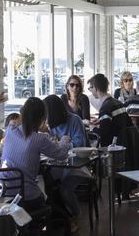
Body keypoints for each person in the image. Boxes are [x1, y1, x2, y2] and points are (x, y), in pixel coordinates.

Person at [0, 97, 70, 212]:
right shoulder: (39, 139)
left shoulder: (10, 130)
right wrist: (65, 140)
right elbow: (62, 154)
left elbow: (13, 124)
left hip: (3, 194)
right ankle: (60, 223)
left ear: (23, 114)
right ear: (43, 119)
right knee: (51, 192)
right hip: (25, 198)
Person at [43, 95, 91, 230]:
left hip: (77, 164)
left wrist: (60, 145)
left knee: (64, 190)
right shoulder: (50, 124)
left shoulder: (74, 120)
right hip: (57, 164)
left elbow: (79, 144)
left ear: (53, 112)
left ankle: (75, 215)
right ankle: (59, 219)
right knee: (48, 187)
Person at [87, 73, 133, 147]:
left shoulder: (105, 108)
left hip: (112, 149)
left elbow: (102, 135)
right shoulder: (118, 103)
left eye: (90, 88)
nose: (91, 91)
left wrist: (92, 128)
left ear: (95, 88)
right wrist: (100, 121)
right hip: (125, 145)